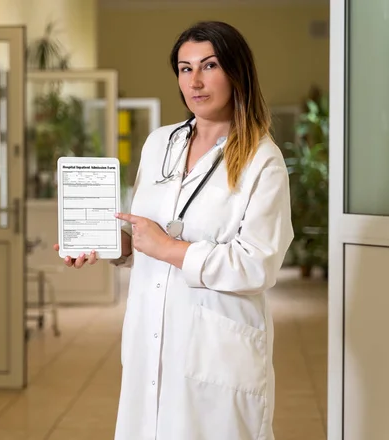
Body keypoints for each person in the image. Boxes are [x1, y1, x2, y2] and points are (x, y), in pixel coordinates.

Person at [54, 20, 293, 440]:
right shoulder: (160, 143)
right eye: (185, 69)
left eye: (209, 66)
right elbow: (144, 238)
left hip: (217, 347)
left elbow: (258, 265)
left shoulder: (262, 159)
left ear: (236, 72)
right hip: (151, 335)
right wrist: (109, 245)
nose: (195, 81)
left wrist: (169, 248)